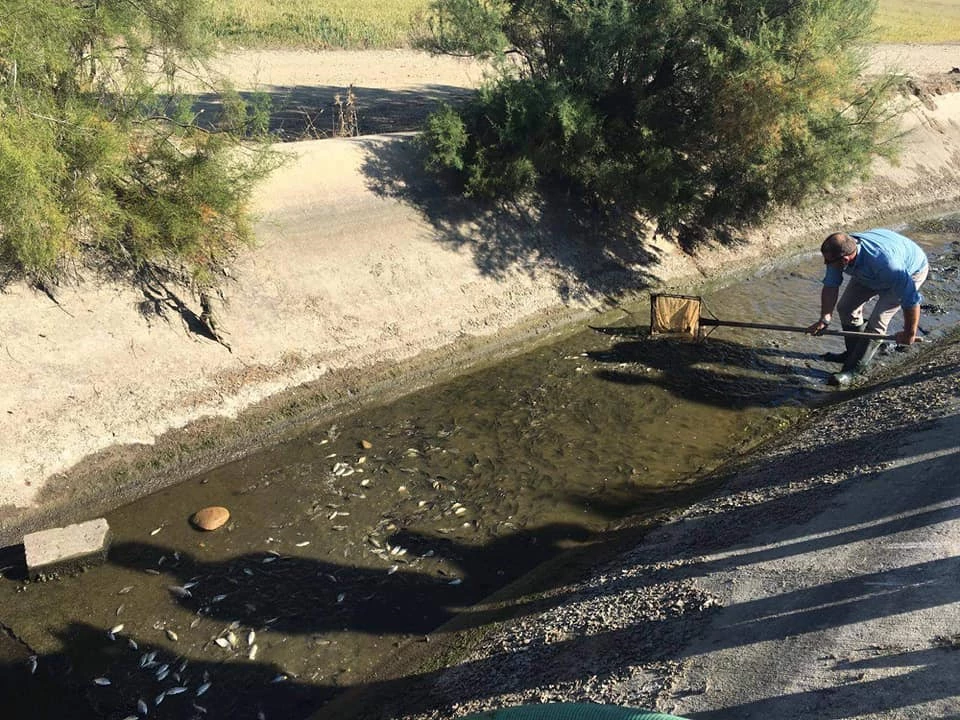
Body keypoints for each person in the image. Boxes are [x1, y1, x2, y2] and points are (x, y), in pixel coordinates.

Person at [806, 228, 928, 386]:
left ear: (845, 260)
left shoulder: (887, 265)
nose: (825, 264)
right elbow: (830, 286)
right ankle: (854, 354)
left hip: (909, 272)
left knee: (878, 320)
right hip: (867, 271)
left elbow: (911, 300)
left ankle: (855, 369)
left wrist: (909, 333)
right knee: (845, 308)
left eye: (829, 262)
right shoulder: (837, 254)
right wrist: (824, 319)